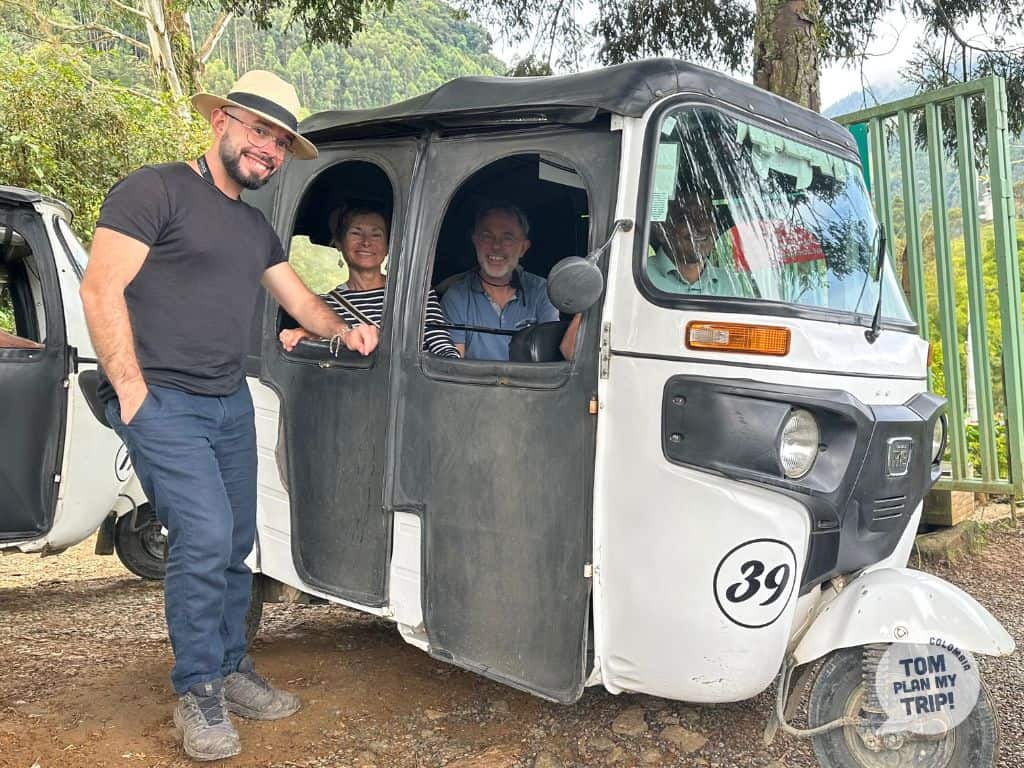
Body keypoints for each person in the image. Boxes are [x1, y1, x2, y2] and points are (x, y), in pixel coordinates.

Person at [80, 71, 378, 762]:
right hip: (162, 400)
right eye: (258, 131)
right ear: (221, 123)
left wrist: (344, 330)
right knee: (206, 536)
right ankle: (197, 691)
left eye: (279, 142)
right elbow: (101, 289)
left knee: (239, 538)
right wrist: (131, 391)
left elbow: (300, 301)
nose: (267, 150)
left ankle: (230, 666)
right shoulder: (153, 190)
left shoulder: (253, 227)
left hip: (228, 400)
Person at [278, 203, 459, 358]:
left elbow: (442, 347)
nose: (366, 242)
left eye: (376, 234)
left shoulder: (416, 295)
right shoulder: (324, 306)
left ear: (389, 246)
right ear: (339, 243)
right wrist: (305, 335)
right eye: (356, 233)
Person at [441, 203, 579, 361]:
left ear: (523, 248)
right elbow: (454, 367)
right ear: (475, 242)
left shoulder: (542, 291)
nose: (496, 246)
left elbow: (547, 358)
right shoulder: (456, 297)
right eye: (487, 236)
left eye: (507, 238)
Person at [647, 187, 741, 296]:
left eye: (706, 215)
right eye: (684, 218)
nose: (701, 226)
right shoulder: (638, 277)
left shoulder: (728, 283)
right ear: (661, 230)